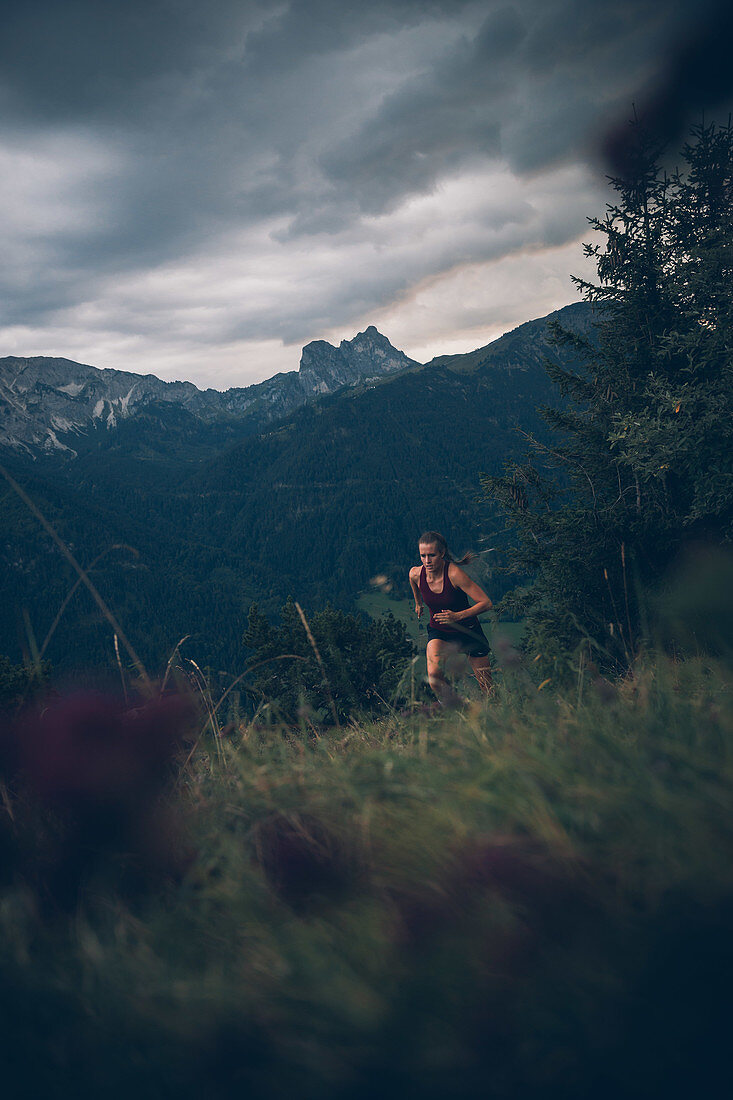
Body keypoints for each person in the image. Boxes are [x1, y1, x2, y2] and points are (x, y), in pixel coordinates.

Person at [409, 530, 493, 706]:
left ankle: (495, 713)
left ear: (442, 553)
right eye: (423, 556)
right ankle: (457, 707)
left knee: (488, 689)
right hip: (439, 631)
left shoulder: (454, 574)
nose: (427, 561)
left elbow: (486, 603)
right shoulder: (416, 573)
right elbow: (413, 582)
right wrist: (418, 603)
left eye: (431, 555)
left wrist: (457, 616)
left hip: (468, 631)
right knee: (433, 677)